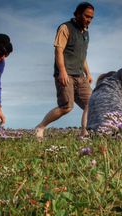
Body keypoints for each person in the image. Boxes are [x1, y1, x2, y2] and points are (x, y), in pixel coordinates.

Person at [35, 2, 94, 139]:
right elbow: (58, 51)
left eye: (91, 18)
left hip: (80, 75)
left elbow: (82, 56)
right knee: (66, 107)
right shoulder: (65, 28)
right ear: (78, 14)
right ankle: (40, 127)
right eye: (86, 16)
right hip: (66, 74)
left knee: (92, 103)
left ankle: (84, 133)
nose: (89, 20)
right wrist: (62, 71)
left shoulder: (86, 33)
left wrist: (88, 72)